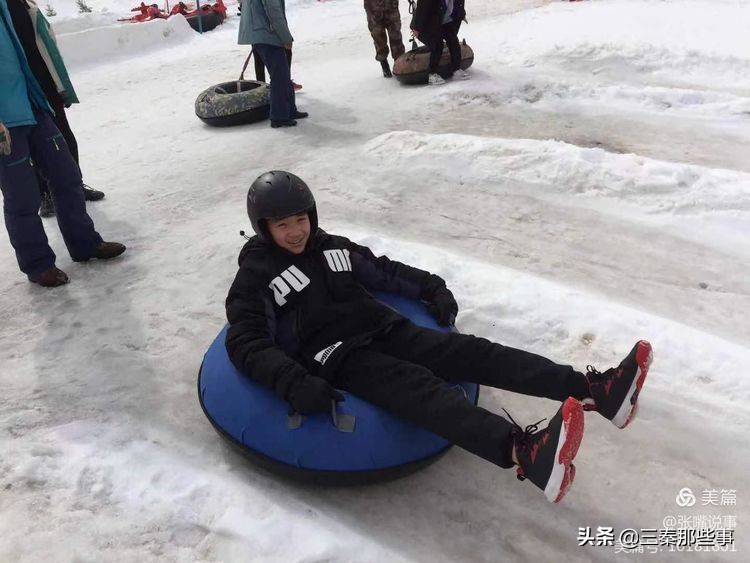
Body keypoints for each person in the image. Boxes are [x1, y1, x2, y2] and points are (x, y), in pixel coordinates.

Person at [225, 171, 653, 503]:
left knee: (473, 353)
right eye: (284, 225)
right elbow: (246, 341)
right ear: (264, 228)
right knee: (422, 391)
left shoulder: (332, 246)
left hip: (386, 327)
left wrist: (431, 286)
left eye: (301, 219)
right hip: (340, 357)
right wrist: (295, 383)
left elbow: (385, 271)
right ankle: (527, 454)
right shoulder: (257, 276)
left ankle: (595, 389)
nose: (296, 231)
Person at [1, 0, 125, 287]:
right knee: (22, 196)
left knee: (67, 176)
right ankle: (38, 265)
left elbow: (31, 50)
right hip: (6, 121)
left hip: (33, 103)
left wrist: (51, 92)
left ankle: (85, 244)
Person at [6, 0, 105, 219]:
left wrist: (60, 85)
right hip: (19, 89)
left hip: (44, 81)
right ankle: (46, 195)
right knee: (34, 145)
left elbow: (45, 45)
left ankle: (75, 186)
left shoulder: (25, 3)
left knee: (64, 138)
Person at [238, 0, 308, 128]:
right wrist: (285, 37)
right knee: (280, 76)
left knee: (284, 75)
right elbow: (273, 12)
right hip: (267, 34)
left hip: (262, 33)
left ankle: (289, 110)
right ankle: (279, 116)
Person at [410, 0, 468, 85]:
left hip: (445, 21)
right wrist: (417, 28)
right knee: (437, 44)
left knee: (453, 41)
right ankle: (432, 74)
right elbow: (422, 10)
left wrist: (462, 15)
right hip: (429, 23)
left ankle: (456, 69)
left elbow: (459, 4)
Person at [364, 0, 405, 78]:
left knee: (396, 36)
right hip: (373, 8)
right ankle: (384, 65)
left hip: (391, 6)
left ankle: (399, 64)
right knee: (378, 37)